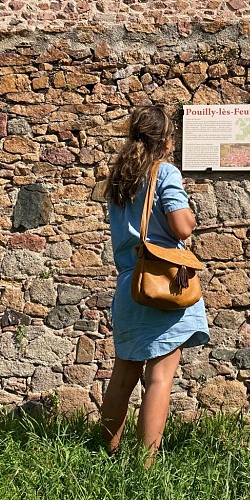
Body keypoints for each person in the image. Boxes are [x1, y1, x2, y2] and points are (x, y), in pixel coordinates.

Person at [101, 106, 209, 466]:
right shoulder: (164, 173)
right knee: (160, 377)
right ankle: (145, 464)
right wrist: (191, 216)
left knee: (123, 375)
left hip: (130, 283)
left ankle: (107, 451)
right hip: (162, 282)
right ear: (165, 141)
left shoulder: (120, 178)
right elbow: (181, 227)